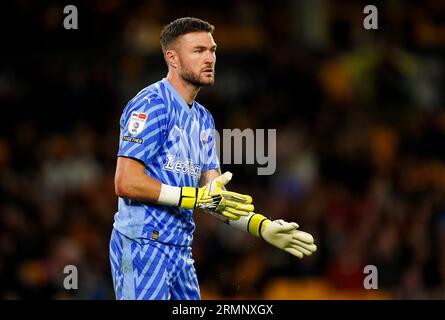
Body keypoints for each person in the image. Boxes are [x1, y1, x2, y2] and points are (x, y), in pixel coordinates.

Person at [109, 17, 317, 300]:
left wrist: (262, 226)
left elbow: (215, 198)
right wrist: (194, 197)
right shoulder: (152, 105)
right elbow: (126, 182)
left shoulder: (204, 119)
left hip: (181, 250)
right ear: (172, 57)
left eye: (213, 50)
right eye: (198, 51)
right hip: (143, 245)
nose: (209, 59)